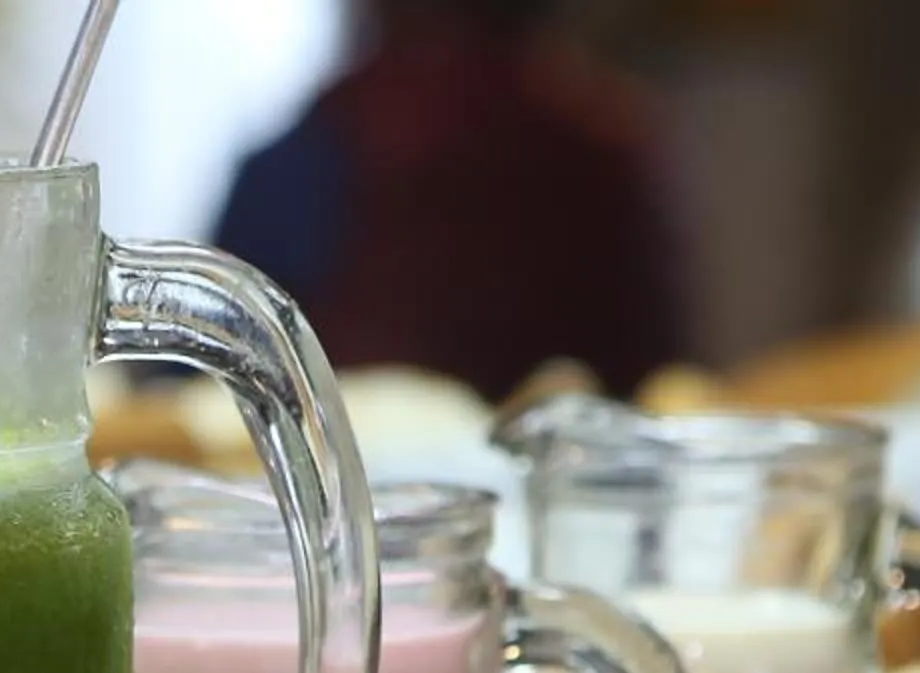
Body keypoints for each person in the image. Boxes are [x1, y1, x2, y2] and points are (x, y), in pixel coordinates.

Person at [212, 0, 687, 404]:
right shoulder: (609, 144)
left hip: (359, 489)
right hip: (573, 485)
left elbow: (205, 369)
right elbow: (663, 375)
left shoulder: (324, 142)